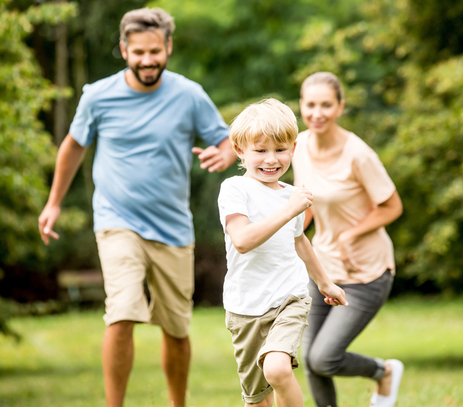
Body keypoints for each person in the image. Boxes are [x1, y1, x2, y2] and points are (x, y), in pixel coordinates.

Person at [37, 7, 237, 407]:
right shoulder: (98, 96)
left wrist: (225, 155)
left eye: (155, 52)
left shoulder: (189, 94)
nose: (148, 61)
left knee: (177, 329)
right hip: (116, 221)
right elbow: (74, 146)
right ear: (124, 49)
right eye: (139, 52)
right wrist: (54, 202)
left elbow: (228, 138)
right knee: (123, 311)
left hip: (173, 228)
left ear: (168, 47)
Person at [217, 98, 348, 407]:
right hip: (244, 307)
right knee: (256, 399)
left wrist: (324, 282)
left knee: (276, 369)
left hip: (288, 298)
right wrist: (289, 210)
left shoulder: (292, 196)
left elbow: (300, 241)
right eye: (260, 151)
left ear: (293, 148)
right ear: (240, 150)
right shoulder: (235, 189)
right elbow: (243, 240)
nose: (271, 159)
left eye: (280, 149)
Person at [292, 72, 404, 407]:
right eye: (310, 104)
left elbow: (392, 206)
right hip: (323, 268)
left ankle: (383, 372)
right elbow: (306, 204)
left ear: (340, 107)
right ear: (301, 106)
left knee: (324, 357)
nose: (317, 112)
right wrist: (288, 232)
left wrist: (352, 233)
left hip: (366, 271)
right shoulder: (299, 146)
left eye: (326, 105)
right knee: (311, 360)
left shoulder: (358, 154)